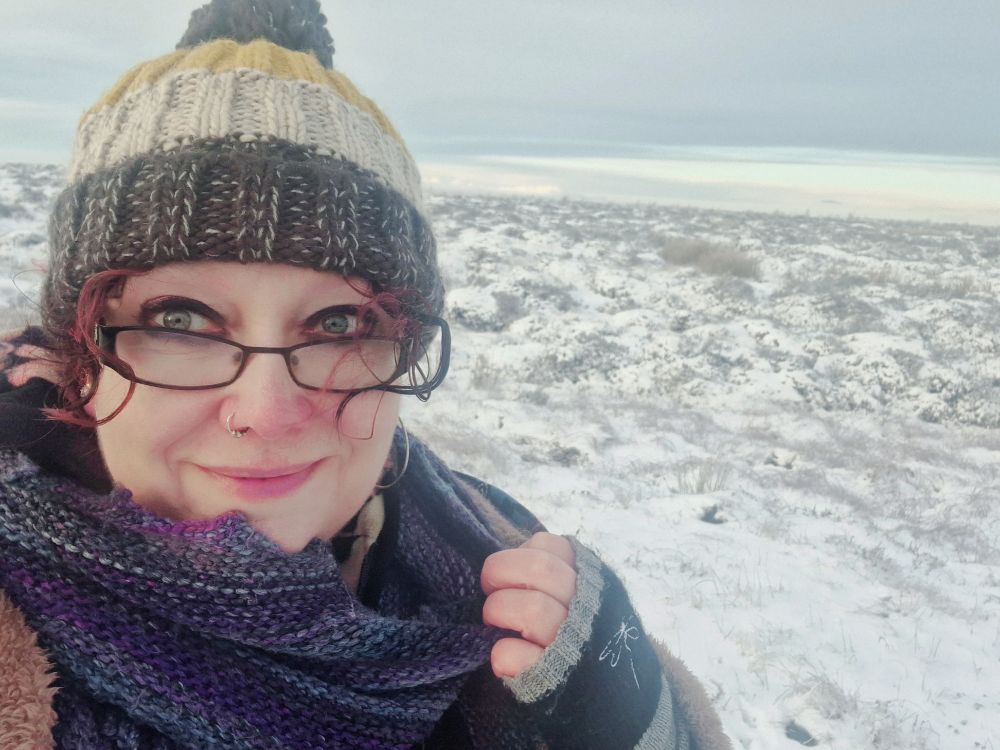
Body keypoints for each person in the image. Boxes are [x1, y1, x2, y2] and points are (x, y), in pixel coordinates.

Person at [0, 1, 731, 748]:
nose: (269, 411)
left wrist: (637, 717)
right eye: (179, 320)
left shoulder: (494, 550)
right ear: (77, 353)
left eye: (340, 325)